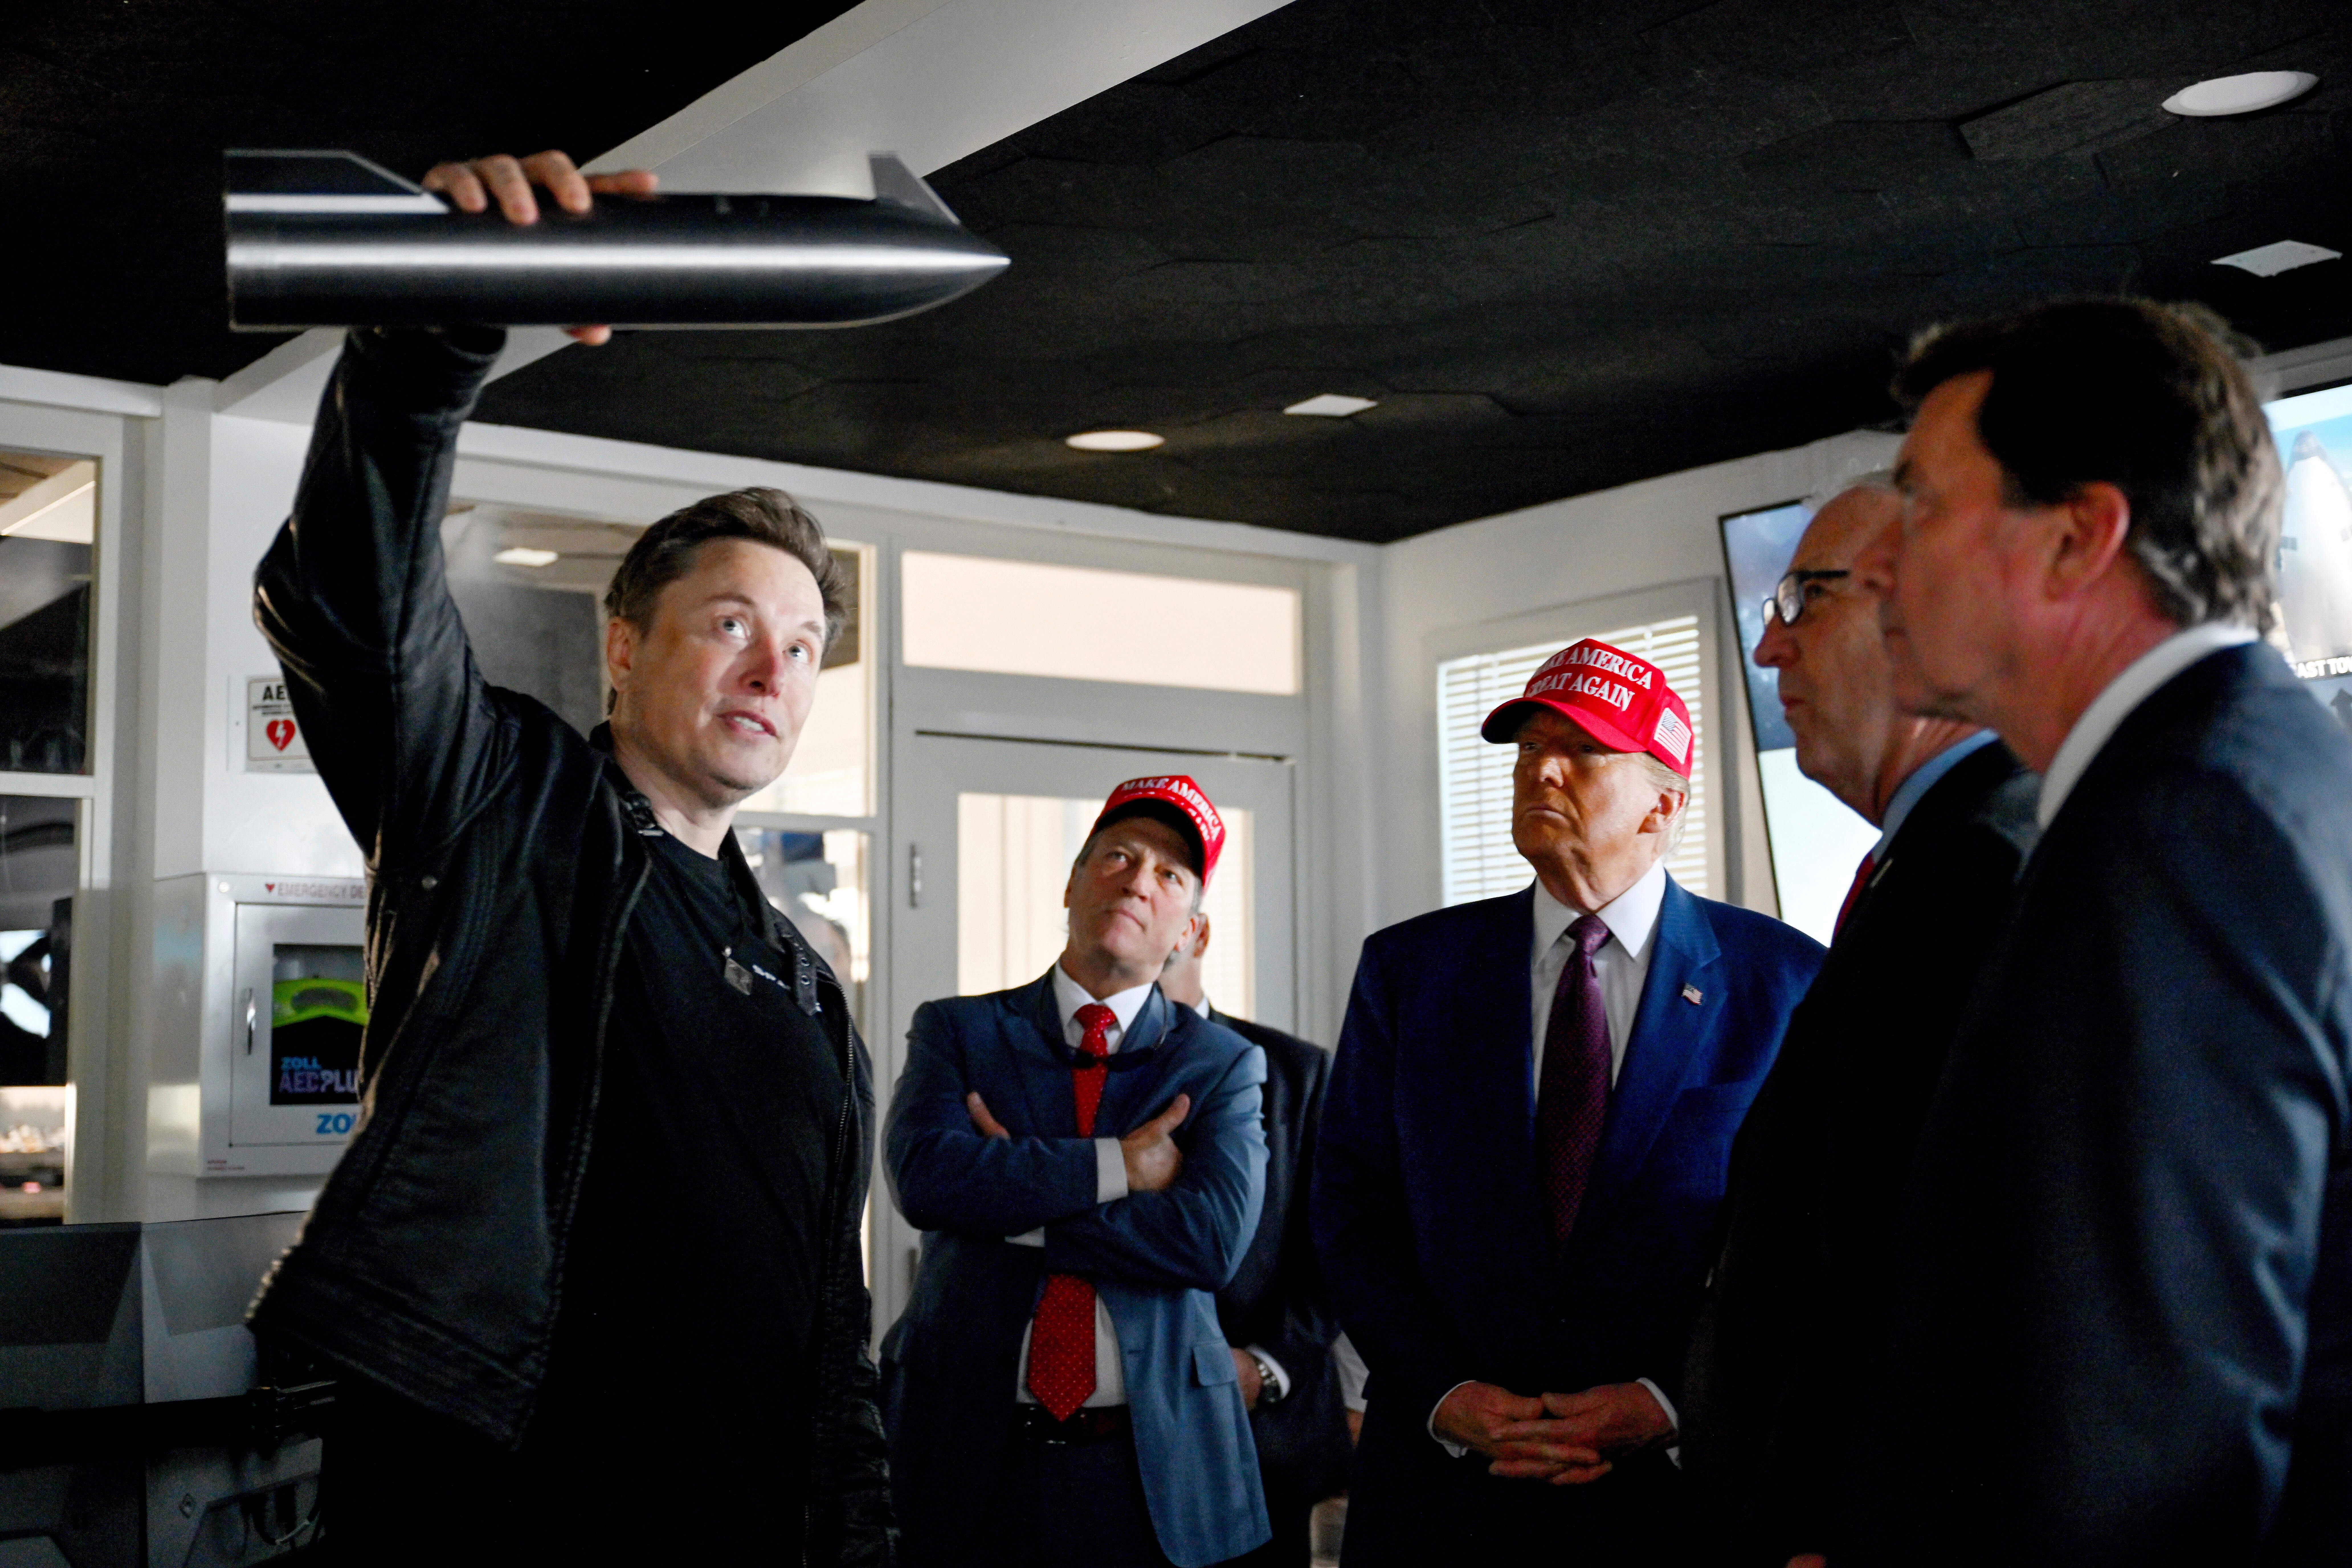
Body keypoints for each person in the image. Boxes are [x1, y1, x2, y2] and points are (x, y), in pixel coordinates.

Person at [245, 150, 891, 1563]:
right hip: (499, 1508)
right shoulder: (506, 814)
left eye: (802, 647)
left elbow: (831, 1329)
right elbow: (347, 608)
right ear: (622, 645)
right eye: (728, 623)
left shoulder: (801, 975)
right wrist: (434, 331)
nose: (771, 669)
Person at [1864, 298, 2352, 1563]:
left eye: (1918, 500)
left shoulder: (2176, 835)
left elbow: (2141, 1436)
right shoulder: (2258, 772)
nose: (1879, 562)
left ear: (2080, 537)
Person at [1313, 639, 1824, 1563]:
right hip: (1441, 1494)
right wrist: (1438, 1392)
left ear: (1663, 804)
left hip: (1669, 1501)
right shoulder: (1410, 971)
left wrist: (1671, 1400)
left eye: (1582, 751)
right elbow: (1349, 1209)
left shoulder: (1783, 982)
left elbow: (1813, 1242)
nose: (1539, 769)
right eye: (1525, 748)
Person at [1677, 478, 2039, 1565]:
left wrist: (1824, 1520)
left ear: (1924, 612)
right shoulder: (1924, 863)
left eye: (1806, 601)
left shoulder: (1980, 866)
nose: (1770, 651)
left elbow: (1925, 1250)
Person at [880, 777, 1271, 1568]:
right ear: (1071, 883)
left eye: (1169, 876)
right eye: (1118, 857)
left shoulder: (1223, 1065)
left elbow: (1206, 1244)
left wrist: (1007, 1200)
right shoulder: (958, 1031)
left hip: (1154, 1470)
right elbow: (927, 1182)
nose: (1136, 880)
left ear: (1191, 930)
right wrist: (1118, 1167)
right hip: (968, 1455)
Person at [1161, 919, 1351, 1566]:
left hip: (1261, 1438)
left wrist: (1264, 1366)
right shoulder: (1071, 1070)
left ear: (1199, 931)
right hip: (1105, 1439)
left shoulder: (1299, 1071)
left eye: (1169, 881)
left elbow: (1340, 1246)